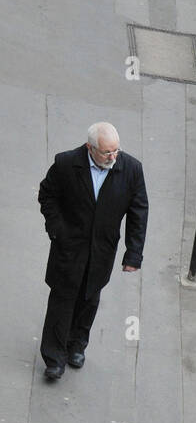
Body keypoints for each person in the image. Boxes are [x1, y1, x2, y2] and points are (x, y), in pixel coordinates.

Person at [37, 122, 148, 380]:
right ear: (90, 148)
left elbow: (138, 213)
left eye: (116, 151)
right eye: (107, 152)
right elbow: (47, 195)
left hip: (102, 250)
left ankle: (77, 346)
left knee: (89, 299)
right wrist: (56, 230)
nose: (113, 157)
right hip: (69, 247)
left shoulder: (131, 169)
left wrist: (133, 254)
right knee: (62, 299)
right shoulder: (66, 164)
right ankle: (54, 357)